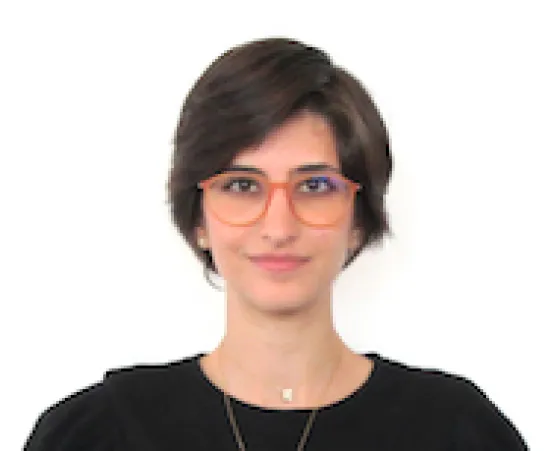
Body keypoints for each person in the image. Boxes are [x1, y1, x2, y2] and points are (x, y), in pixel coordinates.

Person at [23, 37, 528, 450]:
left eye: (316, 186)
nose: (279, 226)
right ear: (199, 219)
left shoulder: (456, 431)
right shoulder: (95, 434)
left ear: (359, 218)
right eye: (243, 185)